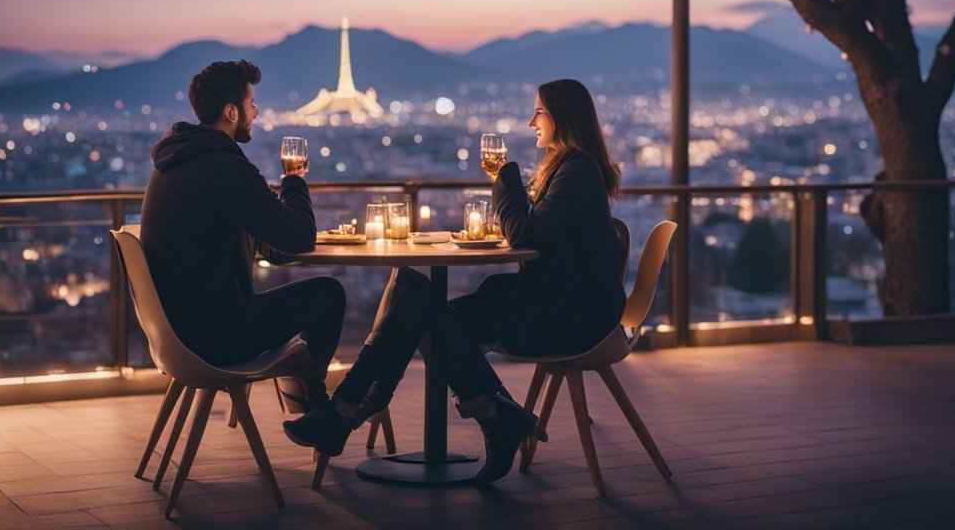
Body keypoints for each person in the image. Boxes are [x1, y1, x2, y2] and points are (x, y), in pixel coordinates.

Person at [285, 78, 625, 485]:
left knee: (420, 303)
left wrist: (504, 174)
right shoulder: (569, 169)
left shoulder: (578, 172)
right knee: (415, 292)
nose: (531, 120)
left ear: (561, 118)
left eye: (539, 112)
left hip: (568, 316)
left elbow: (523, 233)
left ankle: (346, 410)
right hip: (550, 300)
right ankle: (487, 415)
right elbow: (533, 232)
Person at [140, 60, 342, 411]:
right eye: (251, 104)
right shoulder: (225, 168)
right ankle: (309, 406)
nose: (256, 112)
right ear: (231, 112)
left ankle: (307, 398)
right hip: (217, 337)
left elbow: (269, 242)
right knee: (330, 294)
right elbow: (299, 238)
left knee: (317, 295)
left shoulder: (175, 161)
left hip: (177, 334)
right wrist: (293, 179)